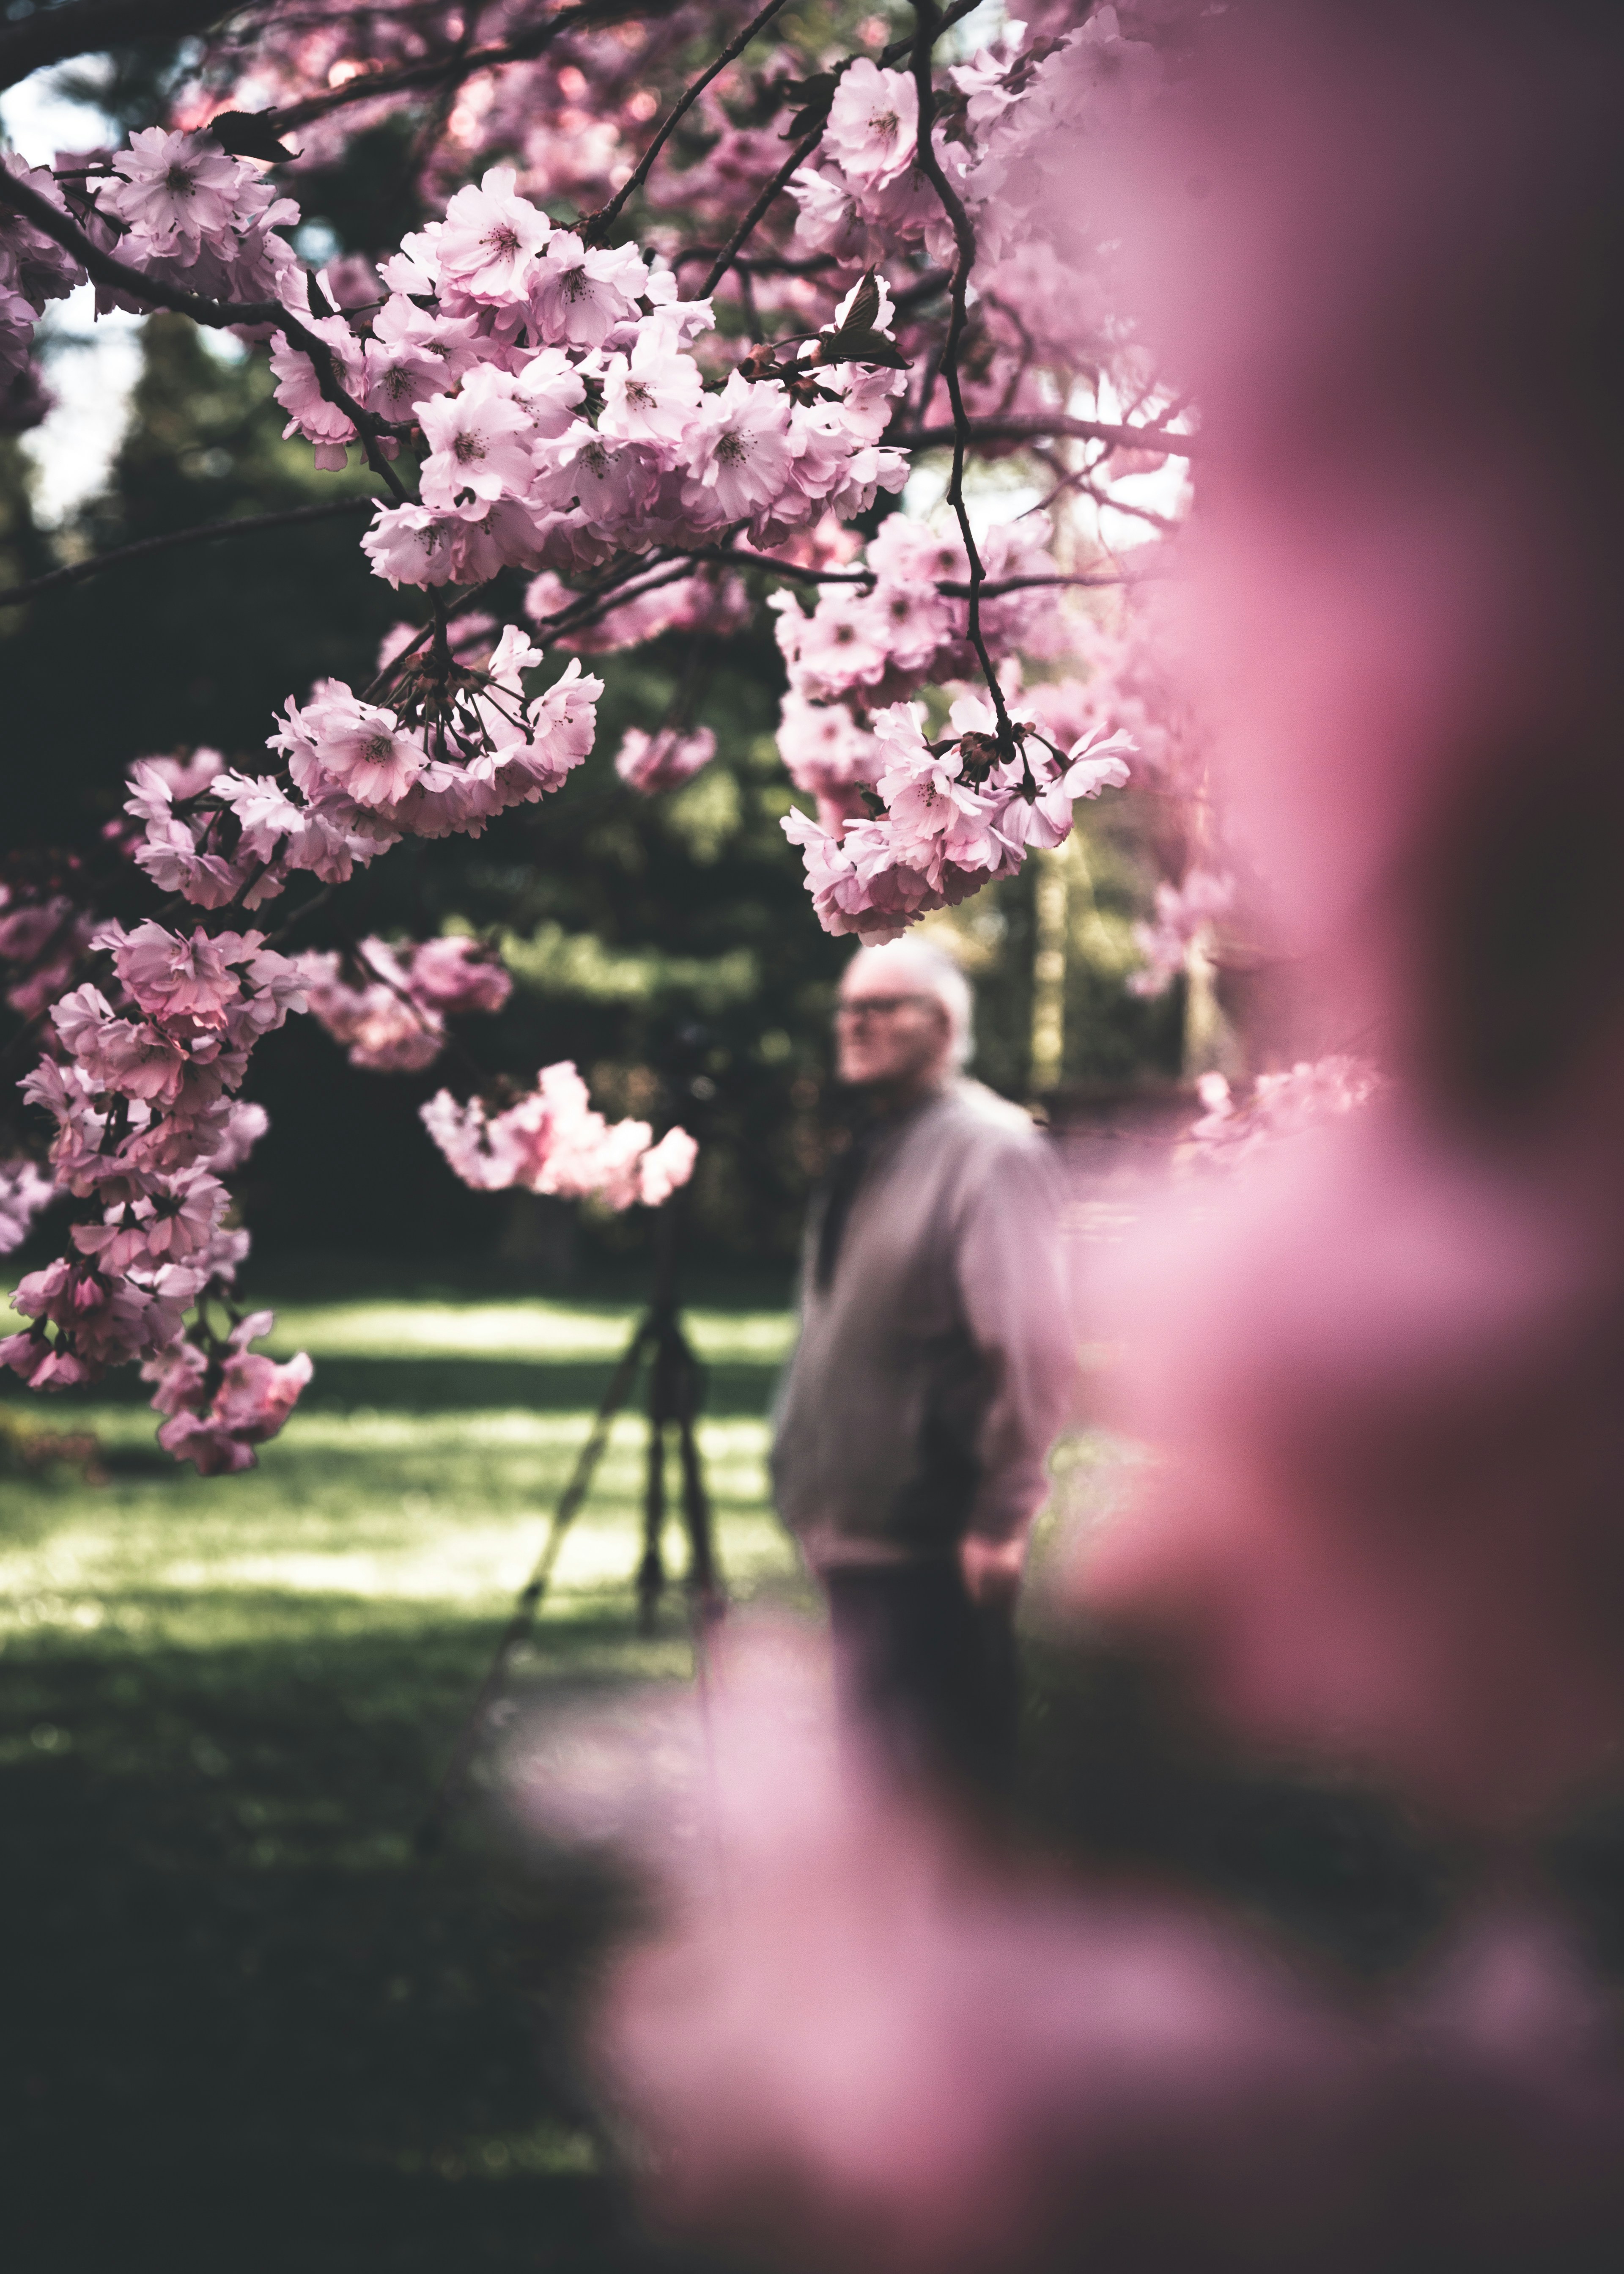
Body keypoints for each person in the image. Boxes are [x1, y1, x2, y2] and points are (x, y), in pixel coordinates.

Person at [771, 937, 1078, 1799]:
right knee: (877, 1790)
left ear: (943, 1026)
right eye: (847, 1008)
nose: (854, 1024)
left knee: (945, 1795)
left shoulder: (993, 1152)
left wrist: (1002, 1514)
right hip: (856, 1532)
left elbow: (1031, 1346)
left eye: (880, 1007)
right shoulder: (875, 1149)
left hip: (935, 1540)